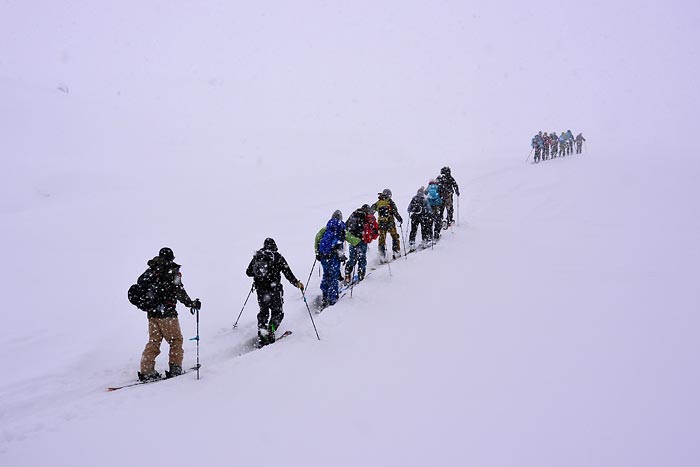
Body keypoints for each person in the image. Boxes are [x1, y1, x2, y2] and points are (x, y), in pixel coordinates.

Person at [137, 247, 201, 381]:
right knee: (176, 340)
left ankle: (146, 370)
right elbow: (179, 291)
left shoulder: (152, 270)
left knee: (154, 342)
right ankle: (175, 368)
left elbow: (141, 284)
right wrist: (191, 303)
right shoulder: (172, 271)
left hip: (152, 313)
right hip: (167, 314)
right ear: (172, 258)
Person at [246, 238, 304, 346]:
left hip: (261, 291)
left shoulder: (258, 256)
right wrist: (297, 283)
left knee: (263, 314)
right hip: (275, 291)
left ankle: (262, 336)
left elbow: (248, 272)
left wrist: (259, 274)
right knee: (277, 313)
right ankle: (270, 331)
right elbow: (288, 273)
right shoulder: (278, 257)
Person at [314, 210, 347, 308]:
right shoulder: (340, 228)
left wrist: (317, 253)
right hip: (333, 256)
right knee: (333, 276)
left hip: (324, 256)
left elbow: (317, 239)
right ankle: (332, 299)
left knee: (326, 275)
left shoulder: (326, 228)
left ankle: (324, 296)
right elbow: (348, 239)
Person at [344, 204, 379, 284]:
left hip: (352, 240)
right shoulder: (366, 217)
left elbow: (346, 225)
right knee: (361, 258)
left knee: (352, 258)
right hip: (362, 240)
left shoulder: (354, 214)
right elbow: (372, 229)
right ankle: (361, 275)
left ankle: (347, 274)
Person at [371, 189, 403, 261]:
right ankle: (396, 251)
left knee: (382, 238)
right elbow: (395, 212)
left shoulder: (378, 203)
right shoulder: (390, 202)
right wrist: (399, 219)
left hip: (381, 223)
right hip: (390, 222)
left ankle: (382, 255)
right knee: (394, 236)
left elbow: (371, 212)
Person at [407, 186, 432, 251]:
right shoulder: (424, 199)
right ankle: (424, 241)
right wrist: (429, 214)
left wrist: (412, 211)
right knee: (424, 229)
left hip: (414, 217)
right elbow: (429, 209)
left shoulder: (414, 199)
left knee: (413, 230)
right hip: (423, 217)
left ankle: (412, 243)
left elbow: (408, 209)